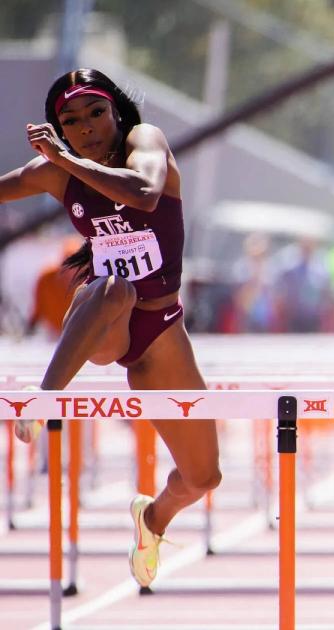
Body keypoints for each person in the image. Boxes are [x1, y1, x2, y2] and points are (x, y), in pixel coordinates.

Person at [0, 68, 219, 589]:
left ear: (115, 112)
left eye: (95, 113)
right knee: (115, 286)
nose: (86, 128)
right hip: (104, 322)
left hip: (162, 330)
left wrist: (66, 159)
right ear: (58, 127)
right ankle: (43, 398)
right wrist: (62, 164)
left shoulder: (144, 144)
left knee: (203, 477)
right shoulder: (56, 170)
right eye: (70, 122)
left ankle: (153, 520)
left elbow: (144, 194)